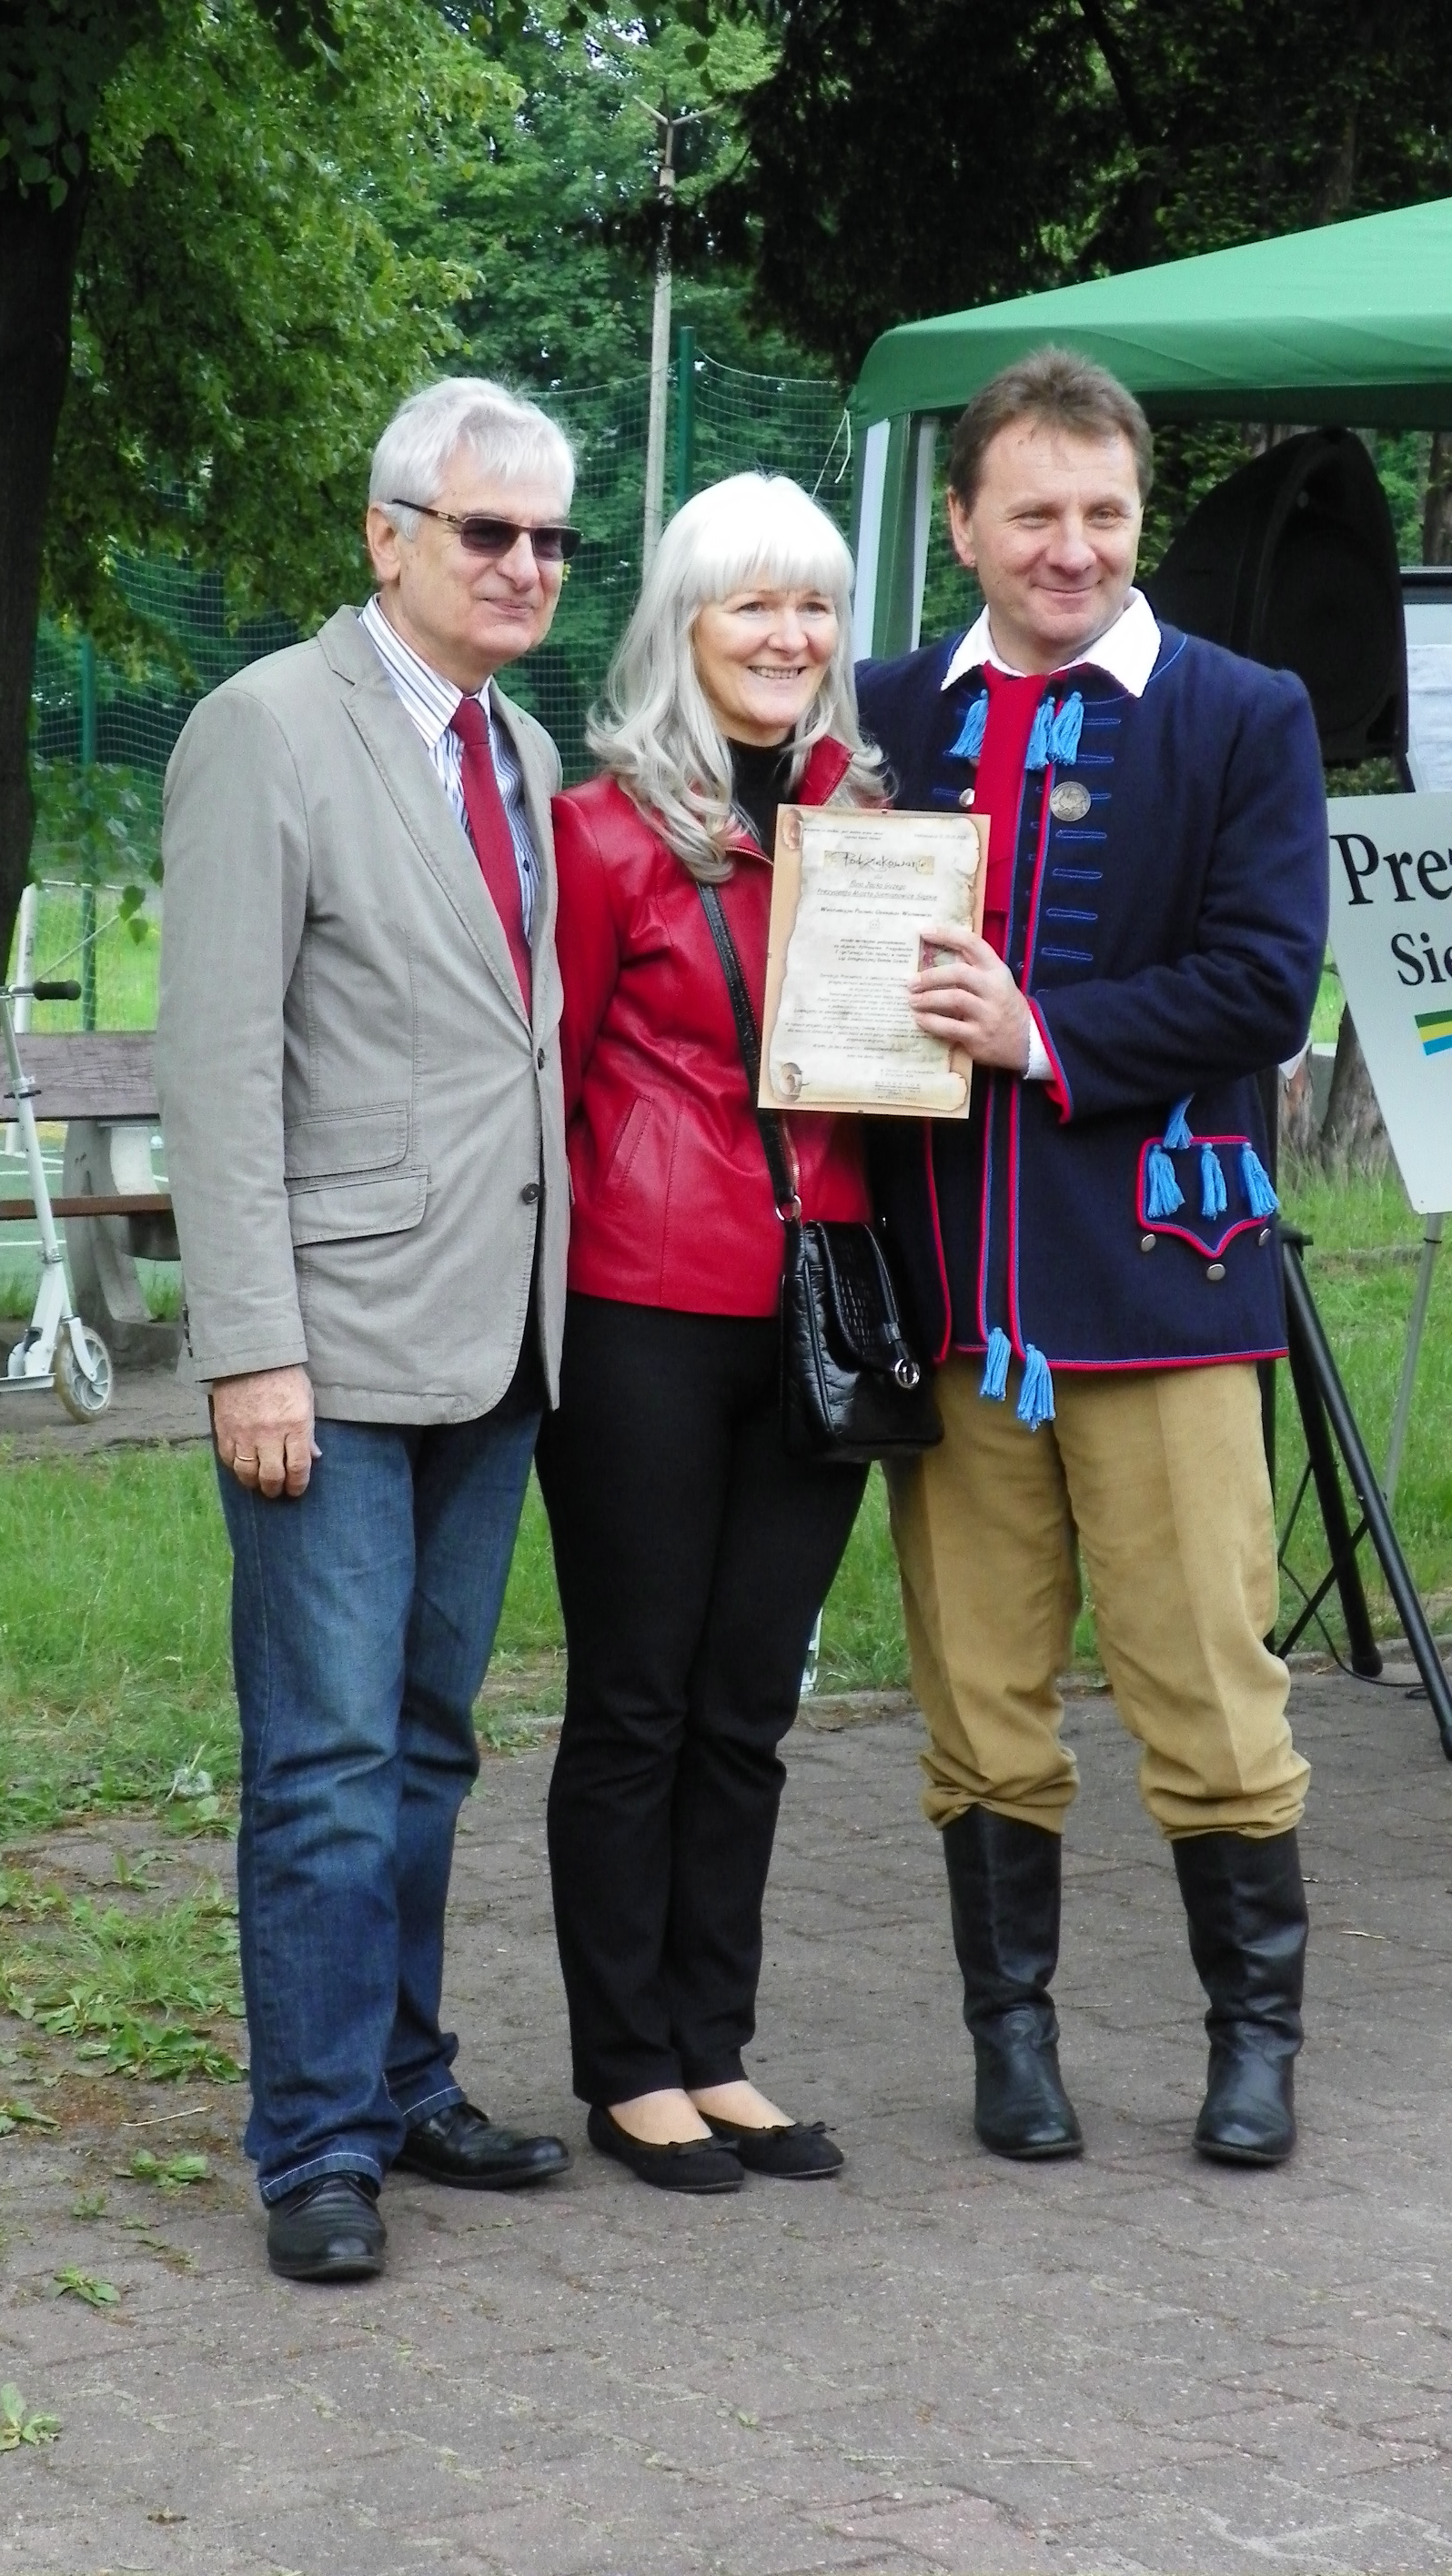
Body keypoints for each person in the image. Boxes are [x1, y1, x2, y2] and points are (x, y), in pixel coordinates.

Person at [857, 349, 1327, 2168]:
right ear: (962, 522)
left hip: (1158, 1289)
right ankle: (1014, 2045)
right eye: (1035, 512)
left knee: (1207, 1683)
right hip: (950, 1297)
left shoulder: (1242, 712)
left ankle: (1252, 2044)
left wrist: (1035, 1032)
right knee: (978, 1697)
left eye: (1104, 512)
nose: (1072, 547)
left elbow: (1261, 983)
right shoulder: (883, 713)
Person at [158, 378, 580, 2282]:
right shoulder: (262, 727)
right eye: (487, 531)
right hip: (323, 1350)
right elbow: (217, 1065)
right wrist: (251, 1345)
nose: (522, 566)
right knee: (324, 1762)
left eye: (550, 539)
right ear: (385, 534)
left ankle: (403, 2081)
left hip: (496, 1337)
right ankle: (316, 2146)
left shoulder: (524, 749)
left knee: (423, 1746)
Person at [539, 473, 885, 2196]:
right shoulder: (601, 833)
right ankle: (628, 2070)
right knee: (639, 1698)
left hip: (823, 1301)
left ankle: (715, 2048)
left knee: (749, 1698)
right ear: (684, 624)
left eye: (814, 604)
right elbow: (552, 1084)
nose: (787, 635)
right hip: (644, 1304)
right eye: (752, 602)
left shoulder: (873, 829)